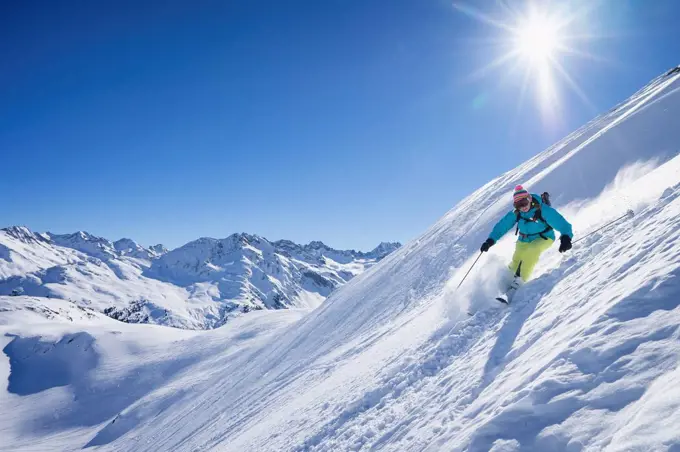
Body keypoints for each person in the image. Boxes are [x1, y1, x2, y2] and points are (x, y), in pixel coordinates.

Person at [479, 185, 573, 295]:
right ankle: (506, 284)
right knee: (516, 261)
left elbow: (560, 222)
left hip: (544, 237)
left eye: (523, 203)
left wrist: (566, 237)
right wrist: (490, 240)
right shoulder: (517, 213)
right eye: (518, 205)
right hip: (523, 239)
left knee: (532, 251)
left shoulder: (543, 210)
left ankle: (520, 281)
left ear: (529, 199)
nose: (522, 207)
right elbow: (502, 226)